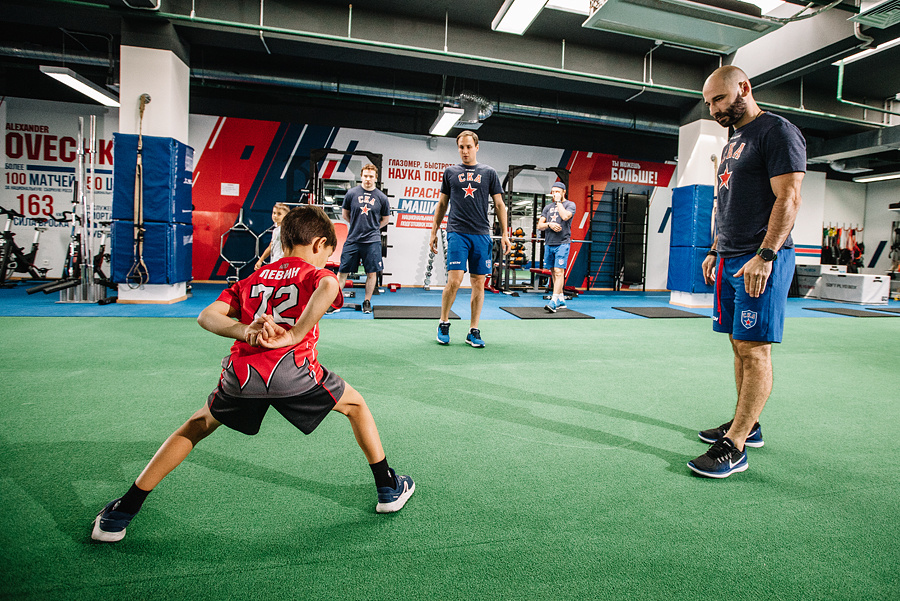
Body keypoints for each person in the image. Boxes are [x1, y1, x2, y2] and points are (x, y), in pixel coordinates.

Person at [91, 206, 415, 543]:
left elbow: (206, 316)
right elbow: (330, 286)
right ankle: (388, 488)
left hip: (242, 378)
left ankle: (121, 513)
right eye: (327, 253)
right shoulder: (314, 274)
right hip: (296, 375)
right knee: (356, 406)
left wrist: (246, 331)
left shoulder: (250, 280)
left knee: (196, 426)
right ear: (319, 244)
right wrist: (296, 333)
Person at [688, 65, 805, 478]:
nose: (715, 108)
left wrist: (766, 255)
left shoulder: (777, 132)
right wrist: (715, 247)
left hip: (761, 259)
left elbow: (789, 197)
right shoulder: (732, 140)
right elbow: (727, 199)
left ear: (744, 88)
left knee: (755, 350)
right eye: (709, 103)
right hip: (730, 256)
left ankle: (735, 446)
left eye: (719, 99)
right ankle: (746, 423)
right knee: (738, 345)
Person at [429, 131, 511, 348]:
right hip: (457, 232)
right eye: (461, 147)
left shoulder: (489, 172)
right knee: (454, 281)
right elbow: (442, 204)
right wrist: (434, 231)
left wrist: (505, 233)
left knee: (479, 284)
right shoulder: (450, 172)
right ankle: (444, 322)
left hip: (481, 235)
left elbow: (500, 205)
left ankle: (473, 330)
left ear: (477, 147)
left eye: (468, 147)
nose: (465, 151)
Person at [334, 164, 391, 314]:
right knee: (342, 272)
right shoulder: (351, 194)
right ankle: (334, 302)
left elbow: (385, 219)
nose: (368, 179)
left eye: (371, 176)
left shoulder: (382, 198)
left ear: (376, 178)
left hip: (372, 241)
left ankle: (367, 301)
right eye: (365, 176)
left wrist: (372, 228)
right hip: (353, 239)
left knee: (372, 273)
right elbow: (345, 215)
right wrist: (357, 226)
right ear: (361, 176)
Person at [536, 181, 575, 312]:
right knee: (554, 272)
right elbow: (539, 225)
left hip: (562, 243)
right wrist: (549, 224)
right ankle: (561, 299)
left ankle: (554, 301)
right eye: (553, 192)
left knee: (559, 272)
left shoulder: (570, 205)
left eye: (557, 192)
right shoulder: (547, 207)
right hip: (549, 243)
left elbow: (564, 216)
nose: (554, 194)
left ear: (564, 192)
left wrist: (558, 203)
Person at [254, 202, 290, 270]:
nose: (275, 216)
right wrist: (260, 260)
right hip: (274, 262)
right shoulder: (276, 230)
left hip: (281, 264)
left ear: (286, 216)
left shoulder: (285, 230)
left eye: (279, 214)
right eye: (274, 213)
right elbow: (271, 246)